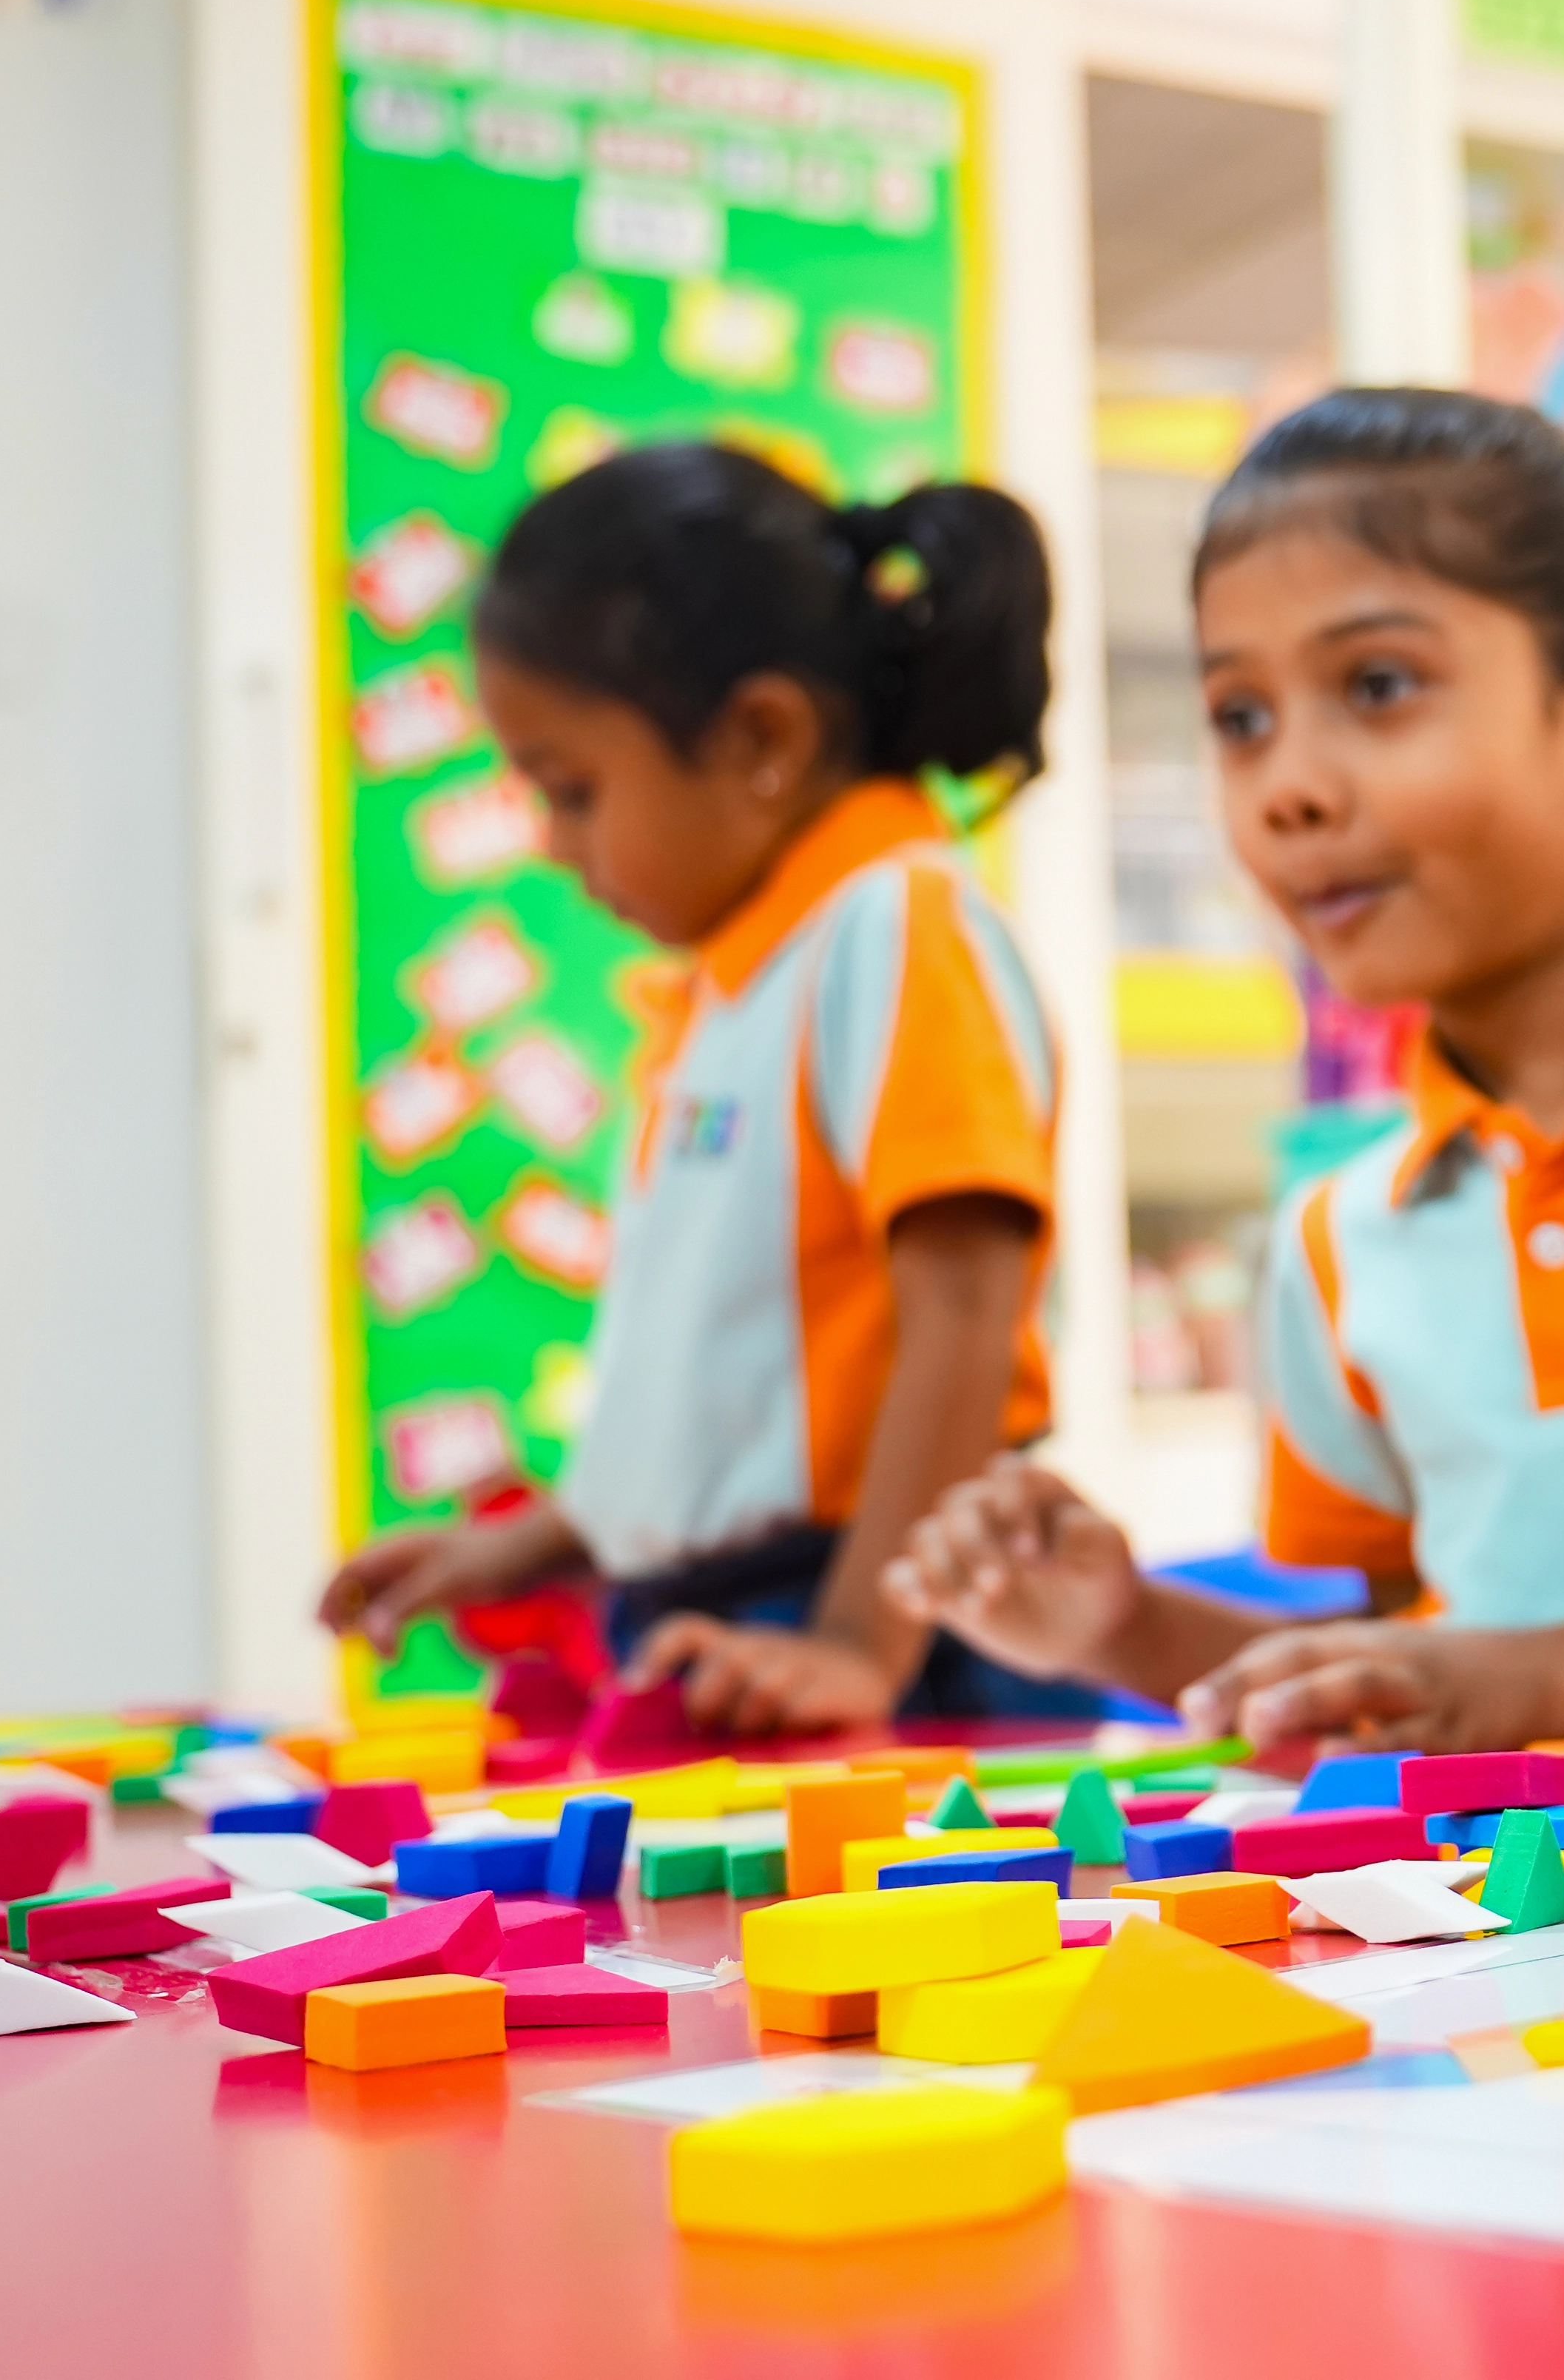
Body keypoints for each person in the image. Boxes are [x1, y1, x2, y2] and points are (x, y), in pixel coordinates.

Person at [883, 388, 1564, 1750]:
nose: (1288, 785)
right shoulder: (1341, 1239)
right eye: (1240, 716)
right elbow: (1423, 1669)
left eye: (1378, 686)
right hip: (1520, 1938)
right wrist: (1130, 1627)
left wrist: (1553, 1682)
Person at [314, 443, 1080, 1734]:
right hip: (737, 1617)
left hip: (863, 1617)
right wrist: (549, 1535)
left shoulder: (891, 926)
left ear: (760, 739)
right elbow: (737, 1392)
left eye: (573, 791)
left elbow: (963, 1307)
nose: (556, 846)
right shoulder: (729, 988)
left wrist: (858, 1640)